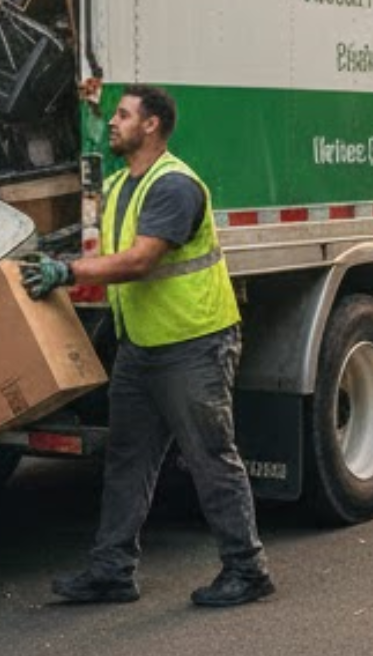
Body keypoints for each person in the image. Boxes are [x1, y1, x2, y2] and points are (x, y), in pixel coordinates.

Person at [20, 85, 274, 608]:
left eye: (123, 114)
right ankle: (112, 570)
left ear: (152, 125)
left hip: (194, 344)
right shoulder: (119, 186)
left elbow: (139, 262)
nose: (112, 122)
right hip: (142, 347)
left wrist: (65, 273)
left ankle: (247, 569)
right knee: (127, 459)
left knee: (209, 457)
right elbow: (102, 249)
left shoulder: (173, 186)